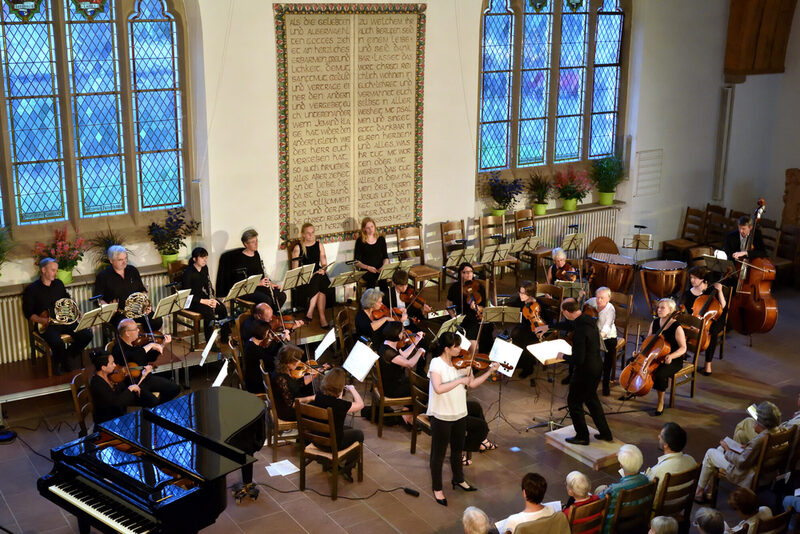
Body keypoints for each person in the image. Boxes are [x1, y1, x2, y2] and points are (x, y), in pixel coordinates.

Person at [427, 332, 499, 506]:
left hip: (459, 412)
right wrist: (460, 381)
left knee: (458, 450)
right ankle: (437, 488)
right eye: (456, 347)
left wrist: (489, 371)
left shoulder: (464, 363)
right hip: (442, 415)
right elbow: (438, 388)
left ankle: (458, 479)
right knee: (438, 454)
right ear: (447, 349)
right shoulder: (436, 363)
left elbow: (472, 383)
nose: (461, 349)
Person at [535, 299, 612, 445]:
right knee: (592, 400)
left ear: (567, 312)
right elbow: (570, 325)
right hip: (596, 366)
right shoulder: (586, 319)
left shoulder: (580, 332)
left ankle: (582, 436)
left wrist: (562, 356)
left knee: (574, 402)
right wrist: (548, 327)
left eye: (563, 313)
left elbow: (578, 359)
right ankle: (606, 433)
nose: (563, 316)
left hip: (585, 371)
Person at [695, 401, 782, 504]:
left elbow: (741, 462)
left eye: (756, 422)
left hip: (748, 473)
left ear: (762, 425)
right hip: (765, 472)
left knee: (710, 453)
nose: (754, 424)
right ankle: (709, 491)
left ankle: (699, 492)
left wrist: (727, 449)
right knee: (719, 450)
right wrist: (747, 448)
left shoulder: (759, 440)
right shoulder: (779, 432)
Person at [23, 258, 93, 374]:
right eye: (53, 270)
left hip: (64, 320)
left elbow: (67, 300)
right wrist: (42, 320)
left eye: (56, 270)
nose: (55, 273)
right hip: (47, 324)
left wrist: (77, 310)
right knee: (56, 342)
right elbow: (28, 313)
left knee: (86, 334)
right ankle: (62, 362)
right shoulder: (32, 289)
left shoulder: (58, 284)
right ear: (43, 270)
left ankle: (66, 357)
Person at [311, 367, 365, 482]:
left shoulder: (319, 396)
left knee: (349, 428)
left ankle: (330, 464)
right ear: (340, 387)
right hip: (331, 444)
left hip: (316, 439)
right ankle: (347, 468)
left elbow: (335, 400)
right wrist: (352, 389)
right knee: (359, 434)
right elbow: (360, 405)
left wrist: (339, 392)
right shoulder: (340, 405)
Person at [111, 319, 180, 403]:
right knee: (153, 402)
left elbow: (150, 358)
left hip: (146, 377)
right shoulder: (118, 348)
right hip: (134, 384)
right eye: (136, 329)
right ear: (127, 333)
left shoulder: (134, 343)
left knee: (174, 388)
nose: (138, 330)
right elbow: (134, 355)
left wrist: (163, 345)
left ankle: (159, 408)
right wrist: (150, 345)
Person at [95, 245, 162, 330]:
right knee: (127, 327)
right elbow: (98, 299)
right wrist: (108, 307)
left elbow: (142, 290)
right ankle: (133, 342)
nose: (124, 262)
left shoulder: (132, 270)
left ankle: (145, 341)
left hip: (137, 309)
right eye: (120, 260)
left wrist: (146, 304)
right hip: (118, 314)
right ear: (111, 260)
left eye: (125, 258)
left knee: (157, 320)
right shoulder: (103, 276)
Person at [88, 348, 153, 428]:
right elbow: (116, 402)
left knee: (147, 399)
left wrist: (143, 375)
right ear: (103, 367)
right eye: (112, 363)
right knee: (144, 420)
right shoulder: (97, 383)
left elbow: (122, 391)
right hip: (108, 423)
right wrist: (130, 389)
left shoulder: (110, 376)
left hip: (118, 414)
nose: (115, 365)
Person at [681, 266, 727, 375]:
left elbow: (723, 306)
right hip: (696, 319)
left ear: (703, 279)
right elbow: (687, 311)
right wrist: (692, 323)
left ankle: (708, 366)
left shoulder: (711, 289)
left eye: (695, 278)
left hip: (714, 318)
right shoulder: (688, 293)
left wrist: (720, 291)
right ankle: (682, 354)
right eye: (691, 277)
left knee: (712, 333)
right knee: (679, 327)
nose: (692, 280)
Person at [377, 322, 425, 425]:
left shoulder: (388, 344)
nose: (404, 334)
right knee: (421, 391)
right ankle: (409, 417)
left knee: (420, 385)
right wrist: (419, 352)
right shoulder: (388, 352)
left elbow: (404, 355)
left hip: (396, 381)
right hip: (392, 388)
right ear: (397, 334)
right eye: (402, 332)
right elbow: (409, 364)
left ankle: (406, 413)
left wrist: (416, 341)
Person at [645, 298, 687, 416]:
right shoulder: (655, 322)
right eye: (658, 307)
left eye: (662, 308)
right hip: (655, 355)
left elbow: (683, 348)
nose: (659, 309)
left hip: (672, 358)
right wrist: (640, 352)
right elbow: (648, 341)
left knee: (660, 374)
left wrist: (671, 356)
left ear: (671, 310)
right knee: (632, 362)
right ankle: (636, 390)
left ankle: (660, 402)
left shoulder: (676, 327)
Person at [596, 444, 649, 534]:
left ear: (621, 464)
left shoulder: (614, 489)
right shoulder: (646, 480)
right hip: (636, 522)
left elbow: (597, 502)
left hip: (612, 526)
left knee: (600, 489)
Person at [230, 229, 287, 312]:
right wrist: (259, 283)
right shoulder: (239, 259)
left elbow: (261, 273)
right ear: (246, 244)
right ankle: (264, 320)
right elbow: (240, 282)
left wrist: (270, 283)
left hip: (258, 287)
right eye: (253, 242)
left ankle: (271, 317)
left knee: (281, 295)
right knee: (266, 299)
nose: (256, 244)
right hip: (246, 290)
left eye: (256, 241)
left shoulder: (256, 254)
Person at [182, 247, 228, 345]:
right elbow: (186, 294)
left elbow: (208, 286)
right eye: (202, 258)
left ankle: (225, 337)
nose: (205, 260)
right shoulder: (188, 273)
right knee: (209, 313)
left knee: (222, 309)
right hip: (191, 301)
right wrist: (204, 301)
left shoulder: (204, 268)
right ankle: (210, 343)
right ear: (194, 259)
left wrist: (212, 298)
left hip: (202, 297)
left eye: (206, 257)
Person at [291, 222, 331, 328]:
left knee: (320, 277)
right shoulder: (298, 248)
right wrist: (308, 275)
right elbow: (294, 271)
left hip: (318, 275)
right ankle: (322, 317)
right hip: (304, 278)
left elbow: (324, 263)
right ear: (303, 234)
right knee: (319, 281)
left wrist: (323, 269)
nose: (311, 235)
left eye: (313, 233)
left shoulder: (319, 245)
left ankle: (311, 312)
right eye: (308, 233)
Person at [446, 263, 493, 353]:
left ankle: (473, 363)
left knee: (473, 344)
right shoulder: (455, 287)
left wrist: (476, 307)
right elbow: (448, 303)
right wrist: (453, 317)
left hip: (473, 318)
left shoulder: (478, 287)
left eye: (471, 272)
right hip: (459, 317)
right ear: (461, 274)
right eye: (466, 272)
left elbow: (484, 308)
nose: (469, 274)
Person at [646, 422, 696, 497]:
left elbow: (649, 497)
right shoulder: (691, 460)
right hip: (683, 503)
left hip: (661, 508)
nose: (658, 436)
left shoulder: (657, 471)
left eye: (661, 436)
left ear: (666, 445)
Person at [583, 287, 617, 395]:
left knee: (608, 361)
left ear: (608, 299)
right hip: (593, 334)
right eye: (598, 297)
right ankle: (588, 380)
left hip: (608, 337)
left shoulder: (610, 310)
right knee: (587, 355)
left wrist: (597, 338)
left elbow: (607, 327)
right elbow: (582, 306)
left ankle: (606, 384)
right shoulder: (592, 301)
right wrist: (580, 297)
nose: (599, 300)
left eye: (602, 298)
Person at [270, 345, 315, 422]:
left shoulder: (285, 370)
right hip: (287, 412)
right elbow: (292, 404)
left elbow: (296, 384)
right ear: (288, 362)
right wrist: (311, 398)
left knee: (313, 395)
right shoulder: (280, 378)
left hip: (292, 400)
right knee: (318, 409)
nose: (300, 362)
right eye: (297, 360)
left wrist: (314, 375)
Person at [506, 281, 540, 380]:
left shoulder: (537, 304)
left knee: (524, 337)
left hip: (535, 330)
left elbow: (545, 320)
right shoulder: (520, 301)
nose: (521, 295)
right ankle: (521, 361)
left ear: (530, 294)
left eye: (523, 293)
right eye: (520, 292)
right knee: (515, 333)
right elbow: (513, 306)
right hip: (523, 327)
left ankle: (528, 367)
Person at [242, 319, 279, 394]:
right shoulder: (253, 349)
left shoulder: (251, 341)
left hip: (254, 378)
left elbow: (266, 353)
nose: (268, 334)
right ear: (262, 333)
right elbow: (270, 360)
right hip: (256, 384)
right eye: (267, 332)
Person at [353, 216, 389, 289]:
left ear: (375, 226)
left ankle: (385, 300)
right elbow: (356, 261)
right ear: (363, 229)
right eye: (367, 227)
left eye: (372, 226)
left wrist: (383, 267)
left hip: (380, 269)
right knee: (371, 280)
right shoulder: (360, 241)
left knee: (383, 280)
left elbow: (386, 257)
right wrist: (368, 267)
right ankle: (371, 300)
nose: (371, 229)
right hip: (366, 270)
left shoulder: (381, 239)